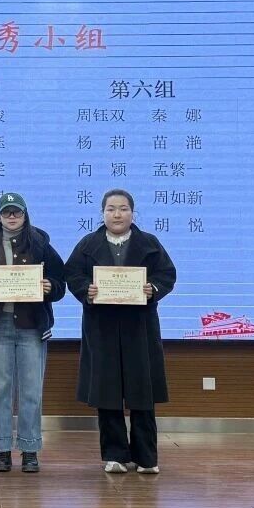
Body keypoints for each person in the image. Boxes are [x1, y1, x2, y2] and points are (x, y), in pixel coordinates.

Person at [64, 189, 176, 475]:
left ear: (132, 213)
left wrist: (153, 289)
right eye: (111, 209)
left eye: (123, 209)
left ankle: (146, 457)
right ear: (102, 213)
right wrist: (86, 290)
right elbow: (73, 274)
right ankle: (114, 455)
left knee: (143, 392)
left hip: (140, 327)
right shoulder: (88, 244)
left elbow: (167, 274)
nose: (117, 214)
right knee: (107, 393)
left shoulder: (149, 243)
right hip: (101, 328)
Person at [0, 192, 67, 473]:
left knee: (31, 389)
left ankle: (30, 448)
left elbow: (61, 282)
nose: (11, 217)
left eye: (16, 212)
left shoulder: (41, 243)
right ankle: (1, 449)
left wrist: (50, 287)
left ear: (25, 215)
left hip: (32, 325)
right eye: (6, 212)